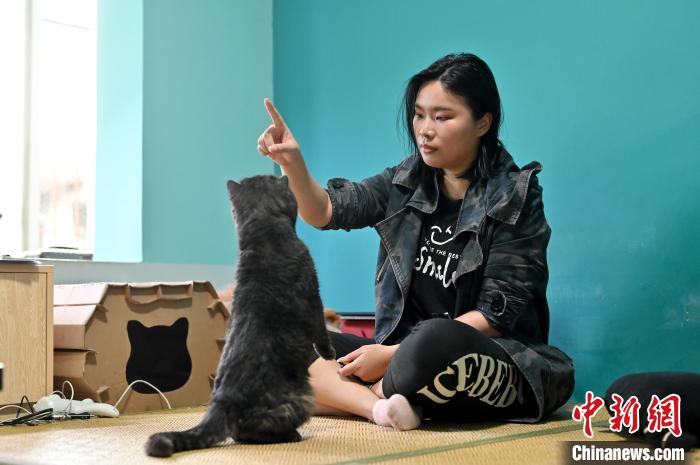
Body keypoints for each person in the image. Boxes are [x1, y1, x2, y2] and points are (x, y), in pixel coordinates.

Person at [256, 53, 574, 430]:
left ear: (483, 123)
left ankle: (355, 395)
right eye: (419, 115)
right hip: (403, 355)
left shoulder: (514, 196)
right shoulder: (406, 181)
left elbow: (494, 317)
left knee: (435, 339)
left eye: (442, 117)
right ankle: (383, 407)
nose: (425, 130)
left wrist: (393, 355)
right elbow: (324, 210)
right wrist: (292, 163)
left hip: (478, 356)